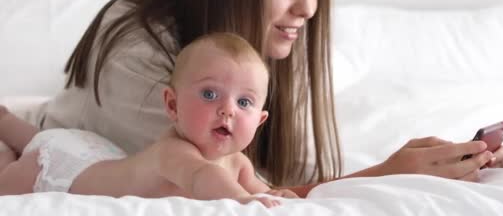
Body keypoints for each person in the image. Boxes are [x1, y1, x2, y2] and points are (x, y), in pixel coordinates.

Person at [11, 0, 503, 197]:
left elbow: (286, 181)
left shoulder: (269, 60)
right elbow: (206, 189)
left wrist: (431, 166)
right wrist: (387, 173)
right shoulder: (136, 51)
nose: (308, 9)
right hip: (40, 152)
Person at [0, 33, 297, 207]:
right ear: (172, 105)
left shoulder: (238, 163)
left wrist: (275, 195)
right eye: (209, 94)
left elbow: (262, 191)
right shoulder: (176, 153)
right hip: (62, 169)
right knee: (14, 167)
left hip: (93, 152)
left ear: (259, 121)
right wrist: (243, 200)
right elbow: (202, 177)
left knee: (37, 138)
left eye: (243, 102)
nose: (227, 110)